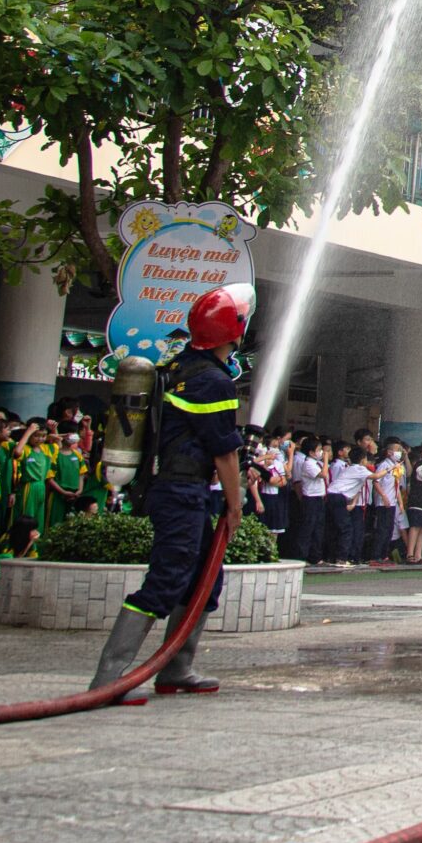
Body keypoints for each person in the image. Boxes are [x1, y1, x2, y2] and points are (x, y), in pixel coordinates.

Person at [88, 285, 252, 699]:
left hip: (179, 490)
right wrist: (236, 505)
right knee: (166, 581)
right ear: (235, 332)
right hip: (181, 491)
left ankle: (176, 668)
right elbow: (224, 452)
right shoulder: (212, 381)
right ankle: (109, 678)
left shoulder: (179, 368)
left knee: (203, 581)